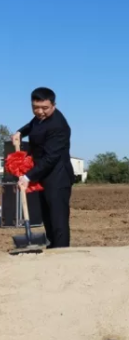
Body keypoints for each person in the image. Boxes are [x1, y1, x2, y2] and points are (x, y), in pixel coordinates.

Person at [12, 87, 75, 248]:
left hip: (58, 177)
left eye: (44, 108)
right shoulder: (39, 118)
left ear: (53, 105)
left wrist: (27, 177)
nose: (40, 111)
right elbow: (32, 125)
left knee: (58, 219)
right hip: (42, 175)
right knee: (46, 216)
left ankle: (61, 252)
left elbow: (50, 158)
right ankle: (52, 247)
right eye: (35, 107)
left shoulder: (58, 126)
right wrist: (20, 132)